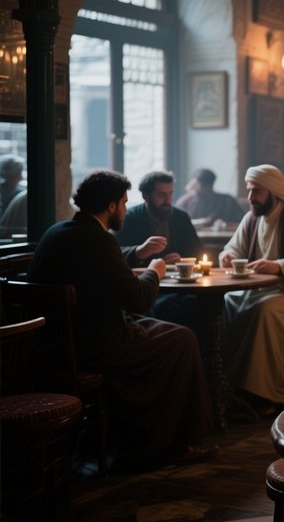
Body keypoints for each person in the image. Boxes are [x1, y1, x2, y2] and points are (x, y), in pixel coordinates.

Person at [28, 170, 214, 469]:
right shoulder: (98, 240)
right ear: (112, 206)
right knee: (183, 338)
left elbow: (105, 262)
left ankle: (139, 435)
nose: (127, 210)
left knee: (170, 331)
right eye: (124, 203)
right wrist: (155, 271)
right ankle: (167, 444)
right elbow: (138, 300)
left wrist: (137, 254)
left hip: (56, 343)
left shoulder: (59, 231)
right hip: (96, 344)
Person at [219, 165, 284, 409]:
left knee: (265, 311)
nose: (251, 198)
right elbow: (235, 247)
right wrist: (227, 255)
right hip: (258, 289)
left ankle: (267, 393)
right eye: (249, 191)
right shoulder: (252, 217)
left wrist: (278, 266)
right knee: (228, 301)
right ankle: (232, 383)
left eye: (257, 191)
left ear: (273, 192)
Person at [115, 170, 203, 264]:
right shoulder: (129, 218)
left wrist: (182, 260)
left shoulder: (181, 217)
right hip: (141, 276)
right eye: (162, 195)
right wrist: (139, 251)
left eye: (170, 194)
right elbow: (113, 254)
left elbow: (197, 251)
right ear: (145, 195)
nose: (168, 200)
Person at [175, 168, 244, 227]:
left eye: (202, 185)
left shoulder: (227, 200)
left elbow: (241, 221)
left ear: (209, 186)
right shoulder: (184, 201)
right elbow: (177, 222)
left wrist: (225, 224)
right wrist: (203, 222)